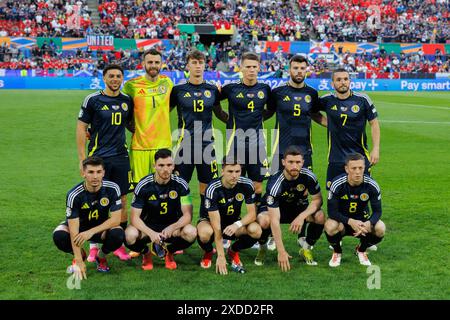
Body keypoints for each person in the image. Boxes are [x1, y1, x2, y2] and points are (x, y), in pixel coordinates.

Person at [264, 54, 325, 247]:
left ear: (307, 70)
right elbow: (268, 112)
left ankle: (303, 236)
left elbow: (316, 115)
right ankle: (273, 235)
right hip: (280, 149)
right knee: (276, 191)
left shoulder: (312, 93)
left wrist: (336, 125)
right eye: (295, 68)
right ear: (289, 69)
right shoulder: (278, 92)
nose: (299, 71)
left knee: (304, 192)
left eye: (302, 68)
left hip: (304, 149)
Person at [76, 64, 133, 262]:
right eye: (111, 76)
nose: (115, 79)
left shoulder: (127, 101)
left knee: (123, 200)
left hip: (121, 157)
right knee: (96, 199)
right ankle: (93, 245)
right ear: (104, 78)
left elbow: (132, 125)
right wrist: (82, 159)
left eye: (118, 76)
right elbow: (82, 127)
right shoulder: (93, 99)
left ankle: (118, 244)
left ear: (122, 78)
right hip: (98, 157)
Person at [170, 49, 228, 222]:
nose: (197, 66)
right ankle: (177, 222)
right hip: (183, 146)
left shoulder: (212, 89)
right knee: (180, 186)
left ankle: (204, 220)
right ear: (187, 66)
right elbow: (162, 113)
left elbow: (220, 113)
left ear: (205, 65)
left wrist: (237, 123)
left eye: (200, 63)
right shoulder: (178, 90)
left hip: (207, 146)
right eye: (194, 63)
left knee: (208, 186)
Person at [52, 157, 125, 280]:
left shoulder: (112, 188)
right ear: (83, 173)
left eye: (98, 172)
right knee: (59, 235)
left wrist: (90, 232)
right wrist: (79, 260)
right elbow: (74, 230)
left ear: (103, 173)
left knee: (118, 234)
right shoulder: (74, 195)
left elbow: (116, 220)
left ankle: (100, 256)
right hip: (79, 228)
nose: (95, 176)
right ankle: (80, 254)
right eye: (91, 172)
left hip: (99, 228)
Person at [124, 149, 197, 270]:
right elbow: (134, 218)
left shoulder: (181, 184)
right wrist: (151, 233)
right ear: (154, 166)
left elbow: (187, 216)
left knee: (191, 232)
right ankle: (146, 252)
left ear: (173, 166)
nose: (165, 169)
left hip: (171, 228)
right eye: (161, 165)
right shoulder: (143, 185)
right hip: (147, 227)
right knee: (129, 235)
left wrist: (172, 227)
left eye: (169, 165)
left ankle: (169, 251)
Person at [254, 146, 325, 271]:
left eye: (298, 162)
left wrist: (301, 217)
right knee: (264, 220)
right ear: (283, 162)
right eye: (290, 162)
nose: (294, 166)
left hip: (297, 209)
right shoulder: (275, 183)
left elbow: (317, 200)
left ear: (303, 162)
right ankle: (263, 248)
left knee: (320, 216)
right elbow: (274, 220)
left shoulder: (309, 176)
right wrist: (281, 251)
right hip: (275, 210)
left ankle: (306, 248)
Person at [220, 52, 273, 209]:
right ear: (241, 68)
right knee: (233, 183)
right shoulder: (230, 88)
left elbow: (271, 109)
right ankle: (232, 219)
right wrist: (227, 119)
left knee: (257, 185)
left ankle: (256, 221)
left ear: (259, 68)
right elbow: (215, 103)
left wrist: (259, 119)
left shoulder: (265, 89)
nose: (251, 70)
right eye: (248, 67)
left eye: (254, 67)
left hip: (258, 145)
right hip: (236, 144)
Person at [197, 156, 262, 275]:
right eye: (230, 171)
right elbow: (217, 227)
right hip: (210, 222)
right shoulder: (213, 188)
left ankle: (233, 251)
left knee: (256, 230)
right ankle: (209, 251)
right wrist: (220, 256)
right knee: (204, 233)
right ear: (222, 171)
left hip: (232, 223)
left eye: (237, 171)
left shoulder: (246, 184)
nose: (234, 175)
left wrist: (237, 224)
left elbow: (252, 214)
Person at [318, 68, 380, 190]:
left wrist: (376, 148)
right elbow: (313, 112)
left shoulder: (362, 99)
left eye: (346, 79)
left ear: (350, 81)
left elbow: (374, 124)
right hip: (336, 158)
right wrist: (328, 123)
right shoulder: (327, 100)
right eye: (339, 79)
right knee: (334, 196)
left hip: (359, 157)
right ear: (332, 83)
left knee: (362, 193)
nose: (343, 82)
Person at [122, 49, 174, 185]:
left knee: (165, 189)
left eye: (157, 62)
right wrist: (132, 127)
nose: (153, 65)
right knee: (140, 190)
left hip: (163, 145)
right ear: (143, 63)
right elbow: (123, 110)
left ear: (161, 64)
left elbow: (171, 105)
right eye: (150, 62)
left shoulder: (167, 83)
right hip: (140, 147)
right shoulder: (131, 85)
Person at [324, 153, 385, 267]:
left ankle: (361, 250)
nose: (357, 172)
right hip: (342, 223)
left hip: (363, 223)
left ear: (364, 168)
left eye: (360, 168)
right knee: (329, 225)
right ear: (347, 169)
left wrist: (368, 223)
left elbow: (377, 212)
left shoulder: (372, 185)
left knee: (380, 228)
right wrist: (350, 221)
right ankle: (337, 252)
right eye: (354, 168)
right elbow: (332, 212)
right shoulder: (337, 184)